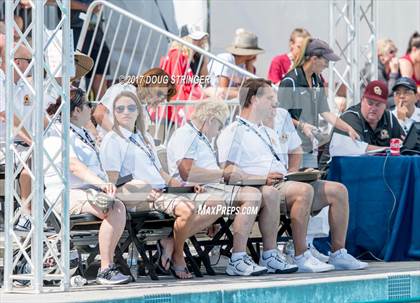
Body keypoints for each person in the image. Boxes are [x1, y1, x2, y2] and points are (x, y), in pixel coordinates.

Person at [218, 78, 368, 272]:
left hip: (283, 183)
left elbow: (291, 152)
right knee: (303, 191)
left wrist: (294, 173)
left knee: (338, 190)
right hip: (261, 187)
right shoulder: (232, 132)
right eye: (270, 98)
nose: (275, 102)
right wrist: (262, 178)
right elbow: (228, 173)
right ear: (254, 100)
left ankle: (338, 253)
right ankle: (300, 254)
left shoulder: (266, 130)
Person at [99, 91, 225, 279]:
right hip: (142, 195)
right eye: (120, 109)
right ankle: (178, 256)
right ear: (114, 113)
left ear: (138, 112)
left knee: (217, 204)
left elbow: (162, 174)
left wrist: (184, 186)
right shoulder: (113, 139)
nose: (126, 112)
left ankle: (170, 242)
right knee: (187, 210)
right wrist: (142, 189)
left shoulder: (145, 137)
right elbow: (112, 180)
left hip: (164, 191)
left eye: (131, 108)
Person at [167, 99, 297, 275]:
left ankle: (269, 253)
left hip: (212, 187)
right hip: (198, 189)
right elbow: (187, 172)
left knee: (270, 193)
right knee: (252, 195)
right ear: (211, 119)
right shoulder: (185, 135)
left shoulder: (198, 136)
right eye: (219, 126)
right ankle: (238, 257)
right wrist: (223, 173)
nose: (218, 131)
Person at [43, 88, 130, 285]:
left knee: (130, 198)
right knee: (114, 206)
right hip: (65, 193)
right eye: (88, 105)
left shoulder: (80, 132)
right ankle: (105, 268)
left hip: (87, 191)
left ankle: (107, 266)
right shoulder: (57, 132)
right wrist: (102, 184)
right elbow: (74, 166)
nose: (91, 108)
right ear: (75, 111)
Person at [277, 38, 359, 168]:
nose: (327, 65)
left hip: (309, 145)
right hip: (291, 147)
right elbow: (280, 116)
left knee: (311, 183)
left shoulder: (316, 80)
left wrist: (348, 128)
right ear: (314, 59)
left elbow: (325, 112)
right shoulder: (290, 81)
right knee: (297, 185)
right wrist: (302, 125)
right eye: (325, 61)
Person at [325, 80, 405, 159]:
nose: (373, 108)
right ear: (362, 100)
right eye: (370, 103)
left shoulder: (389, 118)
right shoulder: (350, 117)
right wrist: (389, 150)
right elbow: (359, 149)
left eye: (378, 105)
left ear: (385, 105)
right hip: (335, 169)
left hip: (372, 167)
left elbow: (404, 144)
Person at [93, 67, 177, 138]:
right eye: (160, 94)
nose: (162, 99)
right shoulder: (123, 89)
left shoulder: (144, 109)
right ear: (151, 84)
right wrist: (120, 138)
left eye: (164, 97)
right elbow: (99, 114)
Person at [207, 28, 264, 99]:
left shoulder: (244, 65)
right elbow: (223, 89)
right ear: (250, 54)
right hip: (211, 100)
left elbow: (251, 87)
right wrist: (245, 92)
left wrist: (249, 64)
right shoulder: (226, 59)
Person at [361, 38, 399, 108]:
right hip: (369, 104)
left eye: (395, 51)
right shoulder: (373, 69)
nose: (394, 55)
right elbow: (385, 93)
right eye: (391, 52)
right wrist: (394, 73)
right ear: (381, 56)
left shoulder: (391, 66)